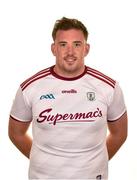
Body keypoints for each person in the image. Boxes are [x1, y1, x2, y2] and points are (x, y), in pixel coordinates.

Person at [8, 17, 128, 180]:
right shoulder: (30, 87)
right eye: (63, 45)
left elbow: (119, 134)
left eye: (77, 44)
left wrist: (95, 163)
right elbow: (16, 133)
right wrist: (43, 161)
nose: (70, 52)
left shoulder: (108, 87)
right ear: (54, 49)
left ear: (86, 49)